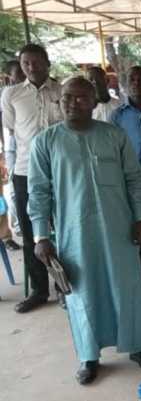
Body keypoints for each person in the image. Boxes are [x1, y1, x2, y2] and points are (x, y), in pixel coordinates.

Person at [29, 78, 141, 385]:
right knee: (83, 293)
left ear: (94, 102)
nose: (74, 103)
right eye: (67, 98)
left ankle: (138, 346)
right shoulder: (45, 142)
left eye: (81, 98)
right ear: (59, 102)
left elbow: (133, 180)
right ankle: (89, 356)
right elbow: (39, 192)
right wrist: (41, 236)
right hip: (75, 233)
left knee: (128, 287)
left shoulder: (114, 135)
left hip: (120, 228)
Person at [2, 44, 63, 313]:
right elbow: (14, 129)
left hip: (61, 171)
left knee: (63, 231)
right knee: (30, 233)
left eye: (37, 62)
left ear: (47, 63)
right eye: (26, 63)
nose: (31, 68)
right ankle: (40, 290)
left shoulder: (61, 92)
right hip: (26, 170)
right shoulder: (11, 94)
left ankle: (64, 287)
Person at [110, 66, 141, 294]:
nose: (136, 82)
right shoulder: (117, 115)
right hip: (131, 179)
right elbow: (113, 150)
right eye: (132, 79)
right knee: (136, 227)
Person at [1, 59, 24, 245]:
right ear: (9, 75)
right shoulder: (6, 94)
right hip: (13, 147)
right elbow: (8, 128)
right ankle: (18, 224)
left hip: (27, 146)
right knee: (16, 187)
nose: (23, 74)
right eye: (19, 72)